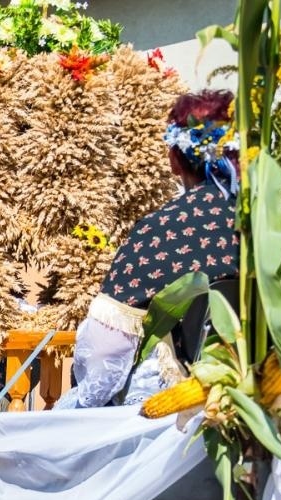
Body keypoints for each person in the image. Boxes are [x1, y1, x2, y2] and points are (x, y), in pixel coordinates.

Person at [57, 89, 241, 409]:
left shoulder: (161, 231)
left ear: (173, 159)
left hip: (176, 421)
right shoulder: (267, 226)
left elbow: (105, 351)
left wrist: (80, 404)